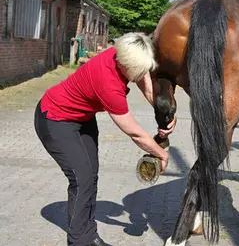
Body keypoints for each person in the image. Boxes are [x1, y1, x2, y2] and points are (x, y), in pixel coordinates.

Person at [34, 32, 176, 246]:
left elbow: (142, 75)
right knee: (81, 180)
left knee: (90, 177)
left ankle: (89, 235)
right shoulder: (108, 86)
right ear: (125, 63)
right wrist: (162, 153)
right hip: (55, 120)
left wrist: (158, 109)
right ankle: (79, 242)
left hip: (83, 119)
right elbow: (135, 133)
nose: (139, 74)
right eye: (135, 70)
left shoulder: (121, 51)